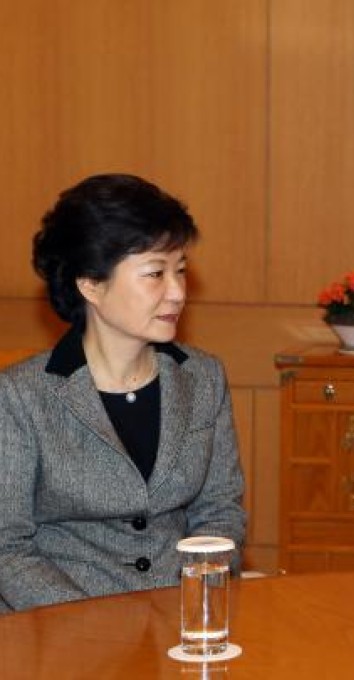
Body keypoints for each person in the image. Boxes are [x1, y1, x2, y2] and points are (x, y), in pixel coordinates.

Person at [0, 174, 246, 613]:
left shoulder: (203, 378)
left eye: (181, 271)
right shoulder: (21, 396)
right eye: (155, 273)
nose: (177, 292)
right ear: (90, 284)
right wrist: (95, 625)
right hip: (63, 634)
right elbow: (7, 549)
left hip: (182, 622)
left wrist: (197, 604)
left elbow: (219, 513)